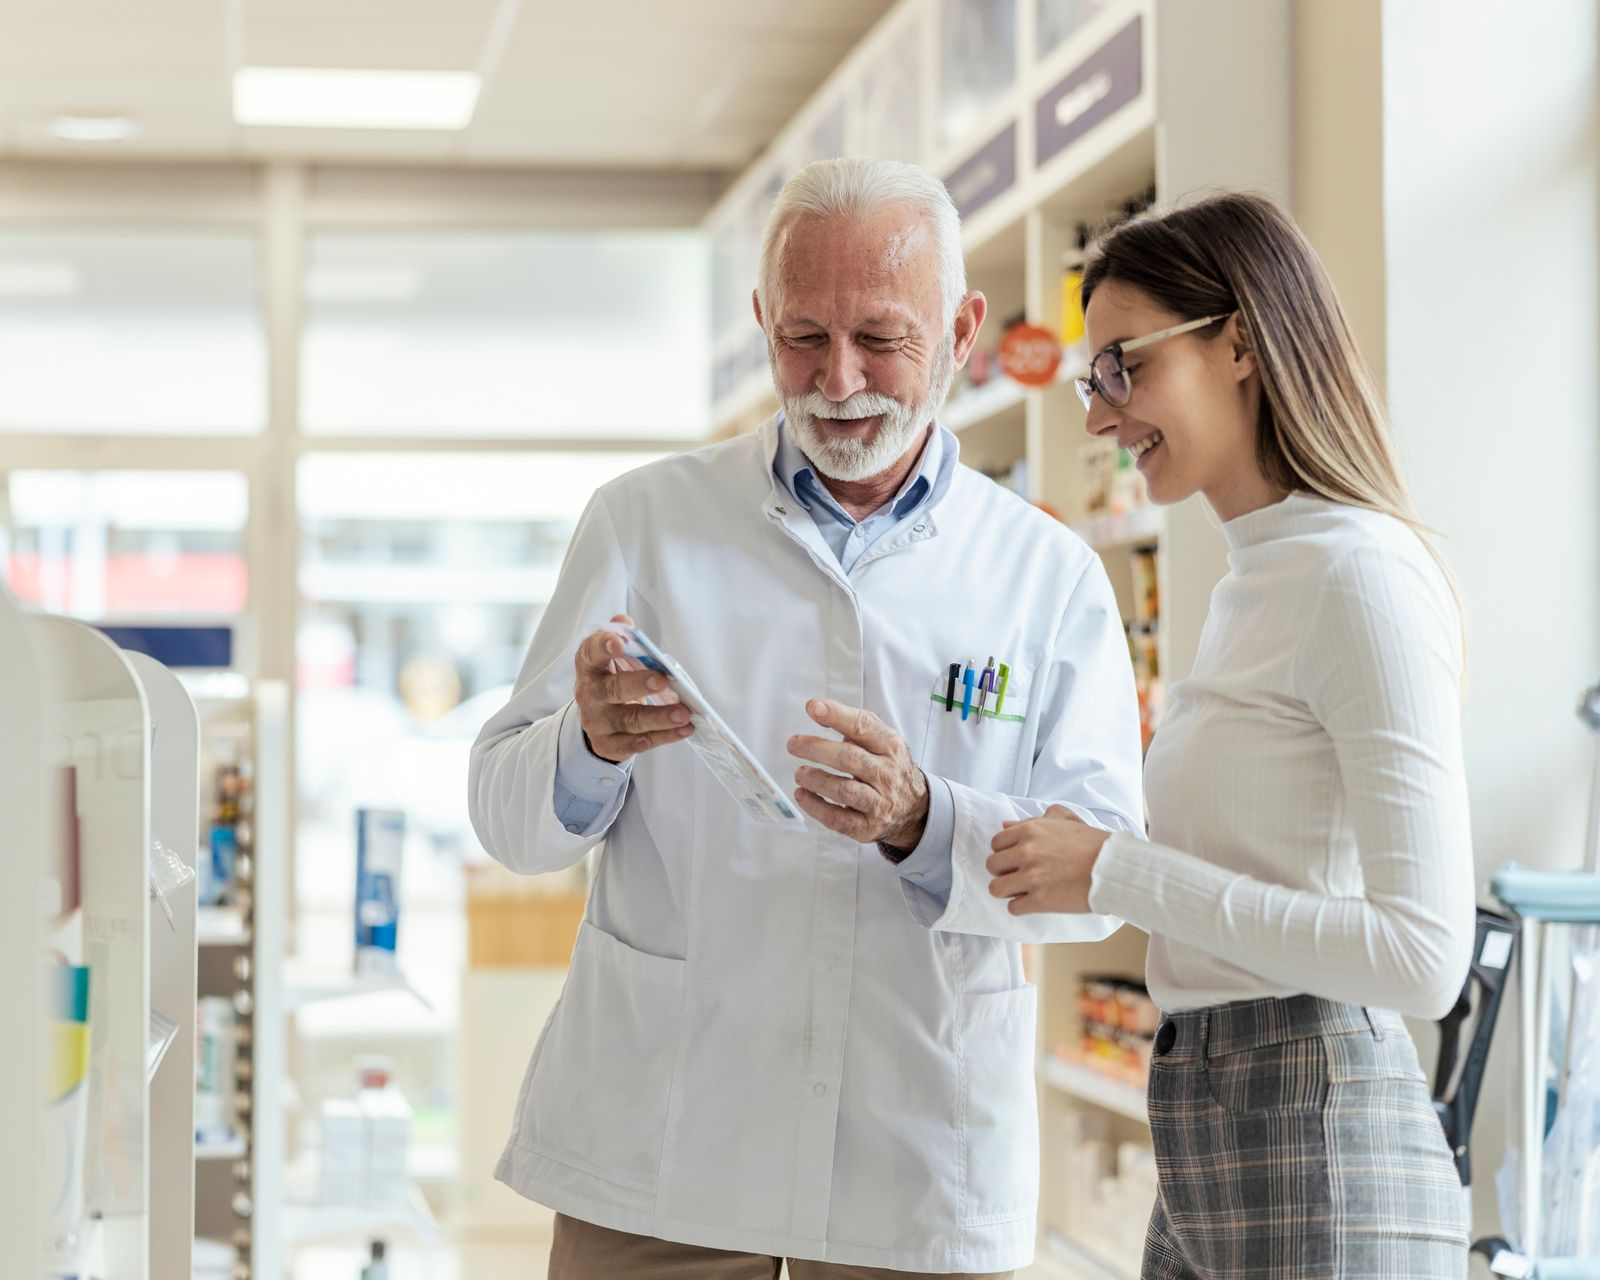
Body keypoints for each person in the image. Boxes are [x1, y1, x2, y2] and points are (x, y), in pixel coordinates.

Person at [467, 157, 1146, 1279]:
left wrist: (930, 819)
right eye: (801, 336)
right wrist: (583, 744)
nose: (838, 379)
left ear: (963, 328)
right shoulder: (645, 520)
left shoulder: (1047, 575)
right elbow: (508, 820)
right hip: (661, 1140)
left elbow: (1098, 876)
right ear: (759, 323)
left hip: (915, 1154)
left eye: (880, 337)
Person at [985, 192, 1474, 1278]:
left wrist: (1118, 869)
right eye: (1090, 380)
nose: (1099, 416)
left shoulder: (1361, 575)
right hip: (1211, 1118)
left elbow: (1421, 953)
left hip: (1317, 1133)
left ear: (1240, 340)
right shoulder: (1256, 577)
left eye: (1122, 365)